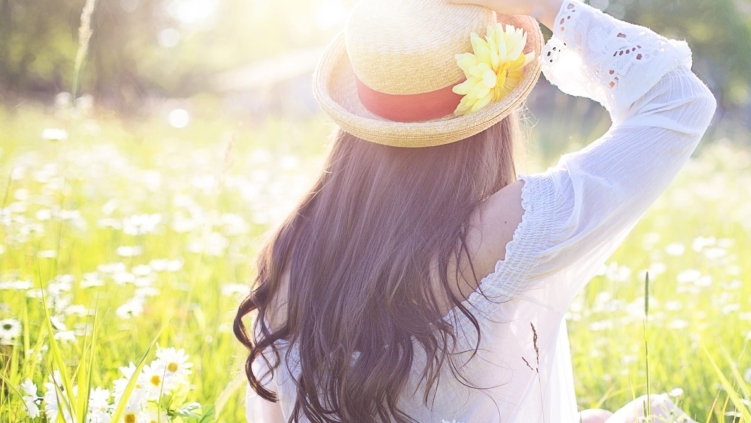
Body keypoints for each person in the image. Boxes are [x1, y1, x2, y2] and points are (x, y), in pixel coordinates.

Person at [232, 0, 716, 421]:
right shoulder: (507, 230)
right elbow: (679, 101)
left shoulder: (292, 247)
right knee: (654, 413)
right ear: (493, 108)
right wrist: (549, 7)